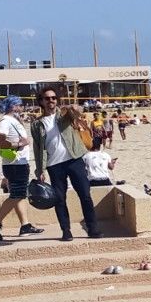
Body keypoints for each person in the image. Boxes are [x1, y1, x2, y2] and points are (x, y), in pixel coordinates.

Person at [31, 87, 99, 241]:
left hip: (74, 159)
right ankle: (66, 230)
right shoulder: (37, 124)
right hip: (54, 165)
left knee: (85, 195)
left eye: (54, 98)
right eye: (47, 98)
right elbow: (39, 148)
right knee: (60, 199)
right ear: (41, 101)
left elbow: (77, 112)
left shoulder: (63, 115)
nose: (51, 101)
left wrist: (73, 107)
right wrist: (40, 169)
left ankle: (93, 228)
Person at [0, 96, 42, 242]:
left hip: (18, 163)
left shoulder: (13, 121)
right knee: (16, 195)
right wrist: (18, 144)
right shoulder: (6, 121)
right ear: (13, 106)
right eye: (20, 105)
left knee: (20, 194)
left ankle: (25, 225)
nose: (22, 108)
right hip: (15, 164)